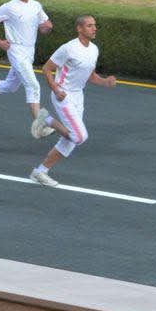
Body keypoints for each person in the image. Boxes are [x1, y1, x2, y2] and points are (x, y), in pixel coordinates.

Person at [31, 15, 117, 186]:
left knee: (70, 141)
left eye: (94, 25)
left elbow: (91, 76)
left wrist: (105, 82)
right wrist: (55, 89)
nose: (94, 28)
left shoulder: (94, 49)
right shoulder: (68, 48)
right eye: (90, 25)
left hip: (78, 96)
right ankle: (46, 119)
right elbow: (47, 68)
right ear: (79, 29)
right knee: (79, 136)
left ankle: (40, 172)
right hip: (63, 95)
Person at [0, 0, 54, 137]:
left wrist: (46, 28)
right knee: (33, 86)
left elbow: (45, 26)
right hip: (16, 51)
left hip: (29, 51)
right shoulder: (9, 7)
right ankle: (39, 127)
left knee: (10, 86)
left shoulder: (36, 6)